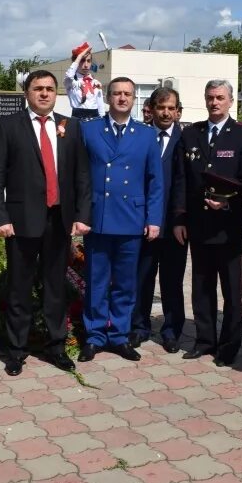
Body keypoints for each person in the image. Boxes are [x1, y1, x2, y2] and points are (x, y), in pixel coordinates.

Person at [0, 70, 91, 376]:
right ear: (27, 93)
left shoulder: (70, 127)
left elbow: (82, 175)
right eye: (37, 88)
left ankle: (56, 346)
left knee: (55, 288)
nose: (44, 93)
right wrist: (0, 217)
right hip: (20, 223)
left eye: (49, 89)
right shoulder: (9, 126)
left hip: (59, 220)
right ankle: (16, 350)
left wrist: (83, 215)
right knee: (19, 288)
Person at [79, 77, 163, 361]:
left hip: (131, 217)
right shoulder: (89, 130)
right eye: (117, 93)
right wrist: (81, 215)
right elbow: (80, 178)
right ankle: (94, 335)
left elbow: (155, 181)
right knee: (97, 280)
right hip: (99, 216)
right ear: (108, 97)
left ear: (134, 99)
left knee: (126, 283)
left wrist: (154, 219)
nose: (122, 98)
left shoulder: (146, 134)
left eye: (127, 94)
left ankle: (119, 335)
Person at [173, 79, 242, 366]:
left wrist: (228, 200)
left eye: (220, 97)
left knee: (231, 290)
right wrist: (180, 218)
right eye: (210, 97)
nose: (214, 102)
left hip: (228, 225)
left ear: (231, 101)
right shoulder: (192, 134)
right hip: (198, 225)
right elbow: (182, 179)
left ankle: (230, 345)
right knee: (201, 286)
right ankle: (204, 340)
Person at [130, 87, 187, 353]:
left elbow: (186, 184)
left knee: (172, 280)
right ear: (151, 109)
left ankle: (172, 330)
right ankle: (139, 327)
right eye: (161, 107)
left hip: (175, 225)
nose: (165, 112)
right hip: (144, 223)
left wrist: (182, 219)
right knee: (142, 278)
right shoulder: (139, 137)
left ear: (178, 111)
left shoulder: (187, 141)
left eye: (170, 108)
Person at [64, 43, 104, 119]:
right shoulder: (71, 82)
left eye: (88, 61)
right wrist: (79, 56)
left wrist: (102, 121)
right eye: (82, 60)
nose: (86, 65)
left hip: (95, 119)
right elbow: (69, 75)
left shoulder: (95, 82)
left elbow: (100, 105)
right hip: (77, 119)